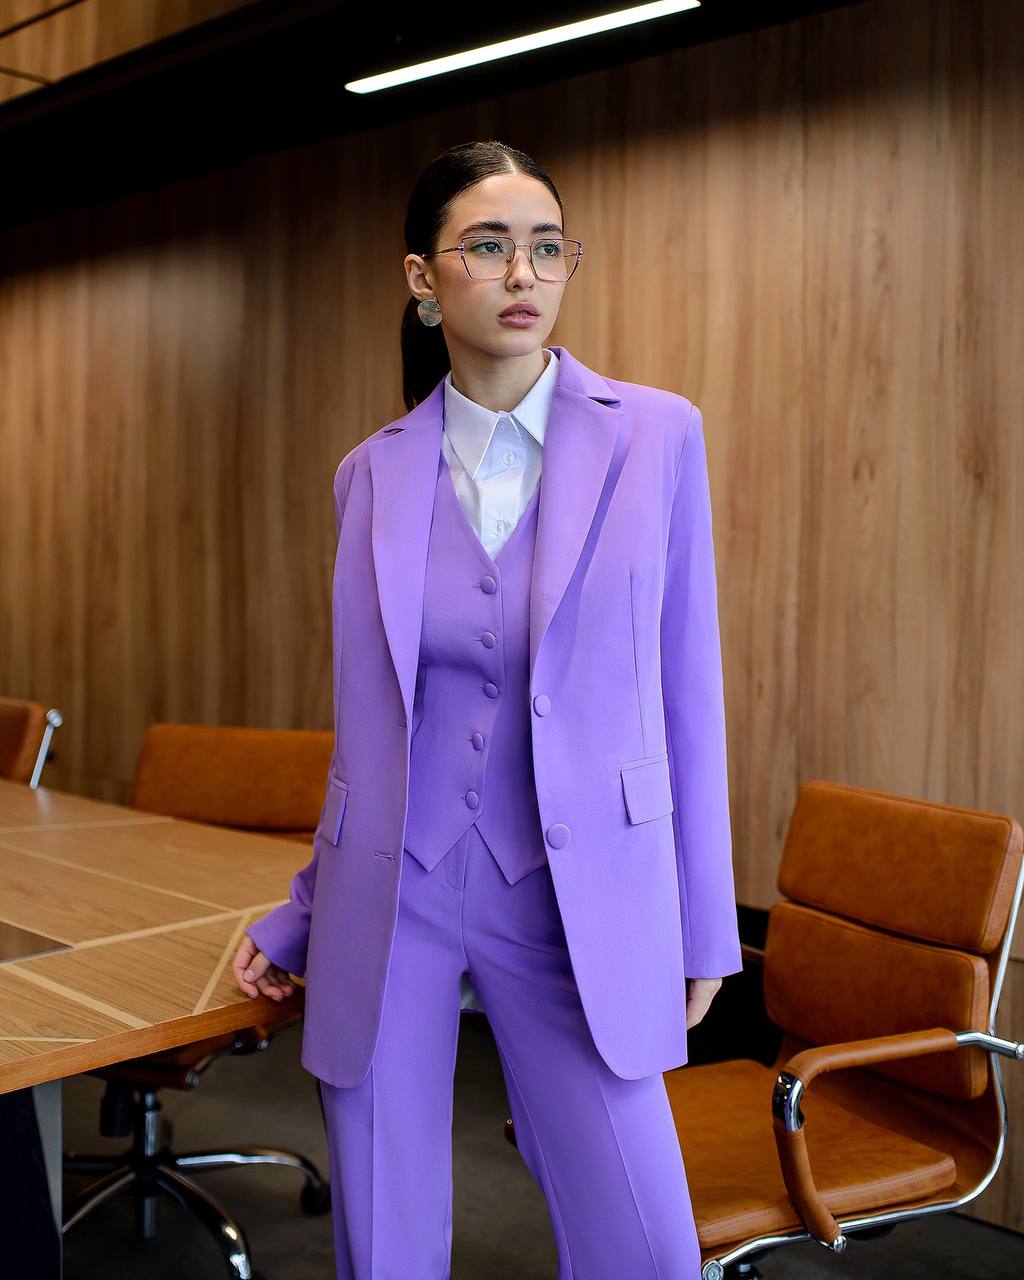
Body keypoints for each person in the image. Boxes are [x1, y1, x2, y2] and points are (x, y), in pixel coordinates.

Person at [232, 139, 743, 1280]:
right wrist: (307, 908)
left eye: (547, 248)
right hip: (396, 891)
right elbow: (367, 731)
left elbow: (686, 685)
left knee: (645, 1245)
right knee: (386, 1239)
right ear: (423, 280)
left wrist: (703, 918)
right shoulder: (369, 473)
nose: (524, 273)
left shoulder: (656, 433)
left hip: (574, 891)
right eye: (489, 247)